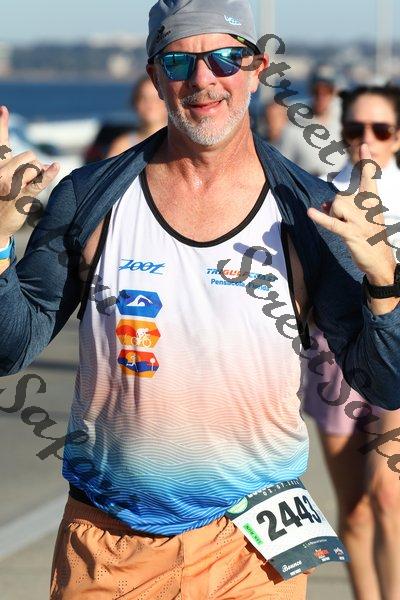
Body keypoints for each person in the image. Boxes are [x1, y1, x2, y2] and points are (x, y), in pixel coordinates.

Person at [0, 2, 399, 598]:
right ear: (155, 75)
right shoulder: (90, 198)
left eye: (226, 59)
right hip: (109, 544)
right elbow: (10, 347)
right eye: (180, 61)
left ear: (257, 69)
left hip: (254, 551)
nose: (204, 78)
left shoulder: (307, 212)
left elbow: (386, 384)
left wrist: (384, 281)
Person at [303, 84, 400, 600]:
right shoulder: (320, 198)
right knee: (356, 511)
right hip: (332, 357)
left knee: (388, 496)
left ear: (397, 136)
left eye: (380, 129)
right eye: (355, 128)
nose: (367, 141)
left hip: (396, 354)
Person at [279, 65, 347, 176]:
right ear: (310, 91)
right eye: (317, 91)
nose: (321, 96)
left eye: (327, 91)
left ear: (335, 92)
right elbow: (281, 169)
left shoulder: (345, 125)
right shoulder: (293, 129)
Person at [107, 74, 168, 157]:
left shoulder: (179, 142)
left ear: (168, 101)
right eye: (143, 98)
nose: (150, 104)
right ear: (135, 103)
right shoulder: (122, 146)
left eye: (156, 98)